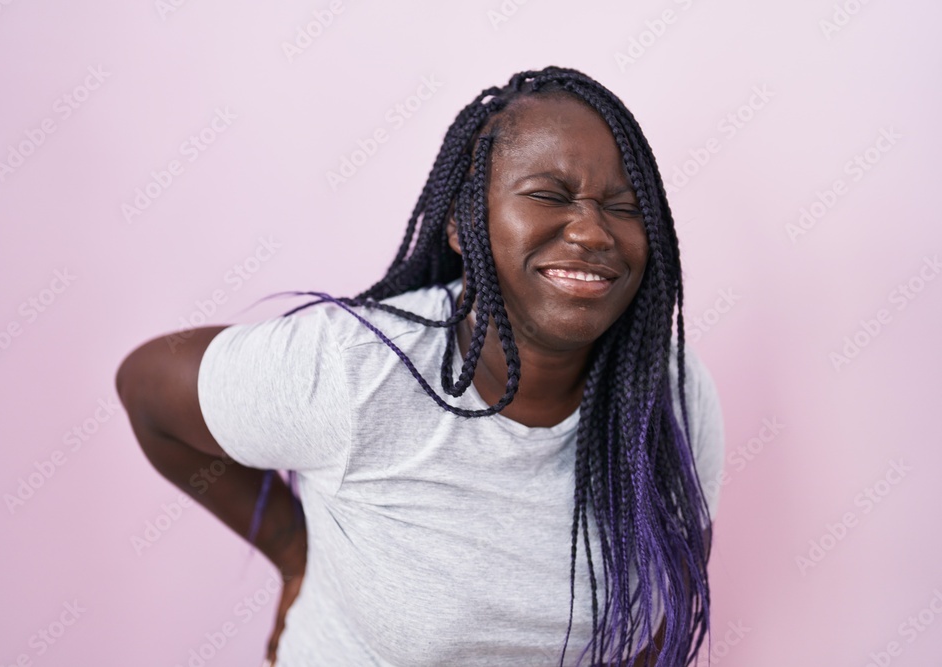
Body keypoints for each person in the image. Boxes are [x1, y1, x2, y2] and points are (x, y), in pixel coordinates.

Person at [116, 65, 725, 667]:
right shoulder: (357, 372)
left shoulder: (670, 392)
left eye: (624, 207)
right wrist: (291, 547)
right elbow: (146, 391)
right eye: (548, 195)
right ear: (462, 223)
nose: (593, 232)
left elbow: (656, 616)